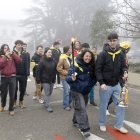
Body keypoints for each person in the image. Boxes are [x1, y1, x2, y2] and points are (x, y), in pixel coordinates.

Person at [96, 32, 128, 134]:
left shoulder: (121, 53)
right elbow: (98, 69)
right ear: (107, 41)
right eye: (110, 40)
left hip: (117, 85)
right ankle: (102, 123)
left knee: (121, 105)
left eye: (114, 40)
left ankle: (118, 125)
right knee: (103, 105)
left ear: (117, 41)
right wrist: (101, 83)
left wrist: (125, 72)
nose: (113, 42)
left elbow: (124, 66)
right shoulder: (102, 54)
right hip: (105, 85)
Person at [66, 50, 96, 137]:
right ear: (83, 56)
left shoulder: (92, 66)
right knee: (82, 108)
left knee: (80, 107)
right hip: (76, 90)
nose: (88, 58)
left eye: (90, 56)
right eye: (86, 56)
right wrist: (72, 78)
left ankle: (75, 121)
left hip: (86, 90)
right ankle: (85, 129)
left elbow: (94, 78)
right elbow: (68, 78)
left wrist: (89, 86)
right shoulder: (76, 65)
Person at [106, 41, 131, 115]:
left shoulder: (124, 55)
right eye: (128, 49)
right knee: (113, 94)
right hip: (118, 78)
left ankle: (117, 108)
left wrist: (125, 73)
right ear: (126, 48)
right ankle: (106, 107)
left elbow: (125, 67)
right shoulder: (121, 54)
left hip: (122, 77)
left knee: (120, 94)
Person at [0, 44, 22, 115]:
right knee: (3, 93)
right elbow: (1, 64)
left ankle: (11, 109)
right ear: (2, 50)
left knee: (12, 94)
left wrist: (13, 54)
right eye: (4, 48)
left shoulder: (12, 56)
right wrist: (5, 56)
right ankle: (3, 105)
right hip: (3, 77)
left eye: (7, 48)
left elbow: (19, 61)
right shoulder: (1, 56)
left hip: (12, 77)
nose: (6, 49)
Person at [36, 47, 57, 113]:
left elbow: (56, 69)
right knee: (47, 93)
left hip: (52, 79)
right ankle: (48, 106)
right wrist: (38, 80)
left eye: (51, 52)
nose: (50, 53)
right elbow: (38, 71)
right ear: (45, 53)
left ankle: (45, 101)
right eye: (49, 52)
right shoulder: (42, 61)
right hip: (45, 80)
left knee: (50, 92)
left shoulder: (53, 60)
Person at [13, 40, 30, 109]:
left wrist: (27, 73)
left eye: (21, 45)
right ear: (16, 45)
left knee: (23, 89)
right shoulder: (12, 53)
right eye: (18, 45)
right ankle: (14, 102)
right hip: (14, 74)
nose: (20, 46)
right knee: (14, 89)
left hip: (23, 74)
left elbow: (27, 63)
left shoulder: (25, 53)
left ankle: (21, 101)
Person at [57, 46, 72, 111]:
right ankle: (66, 105)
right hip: (64, 77)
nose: (71, 50)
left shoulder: (71, 57)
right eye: (70, 49)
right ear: (67, 50)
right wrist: (66, 72)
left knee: (71, 91)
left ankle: (68, 103)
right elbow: (58, 68)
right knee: (66, 91)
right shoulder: (62, 58)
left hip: (71, 77)